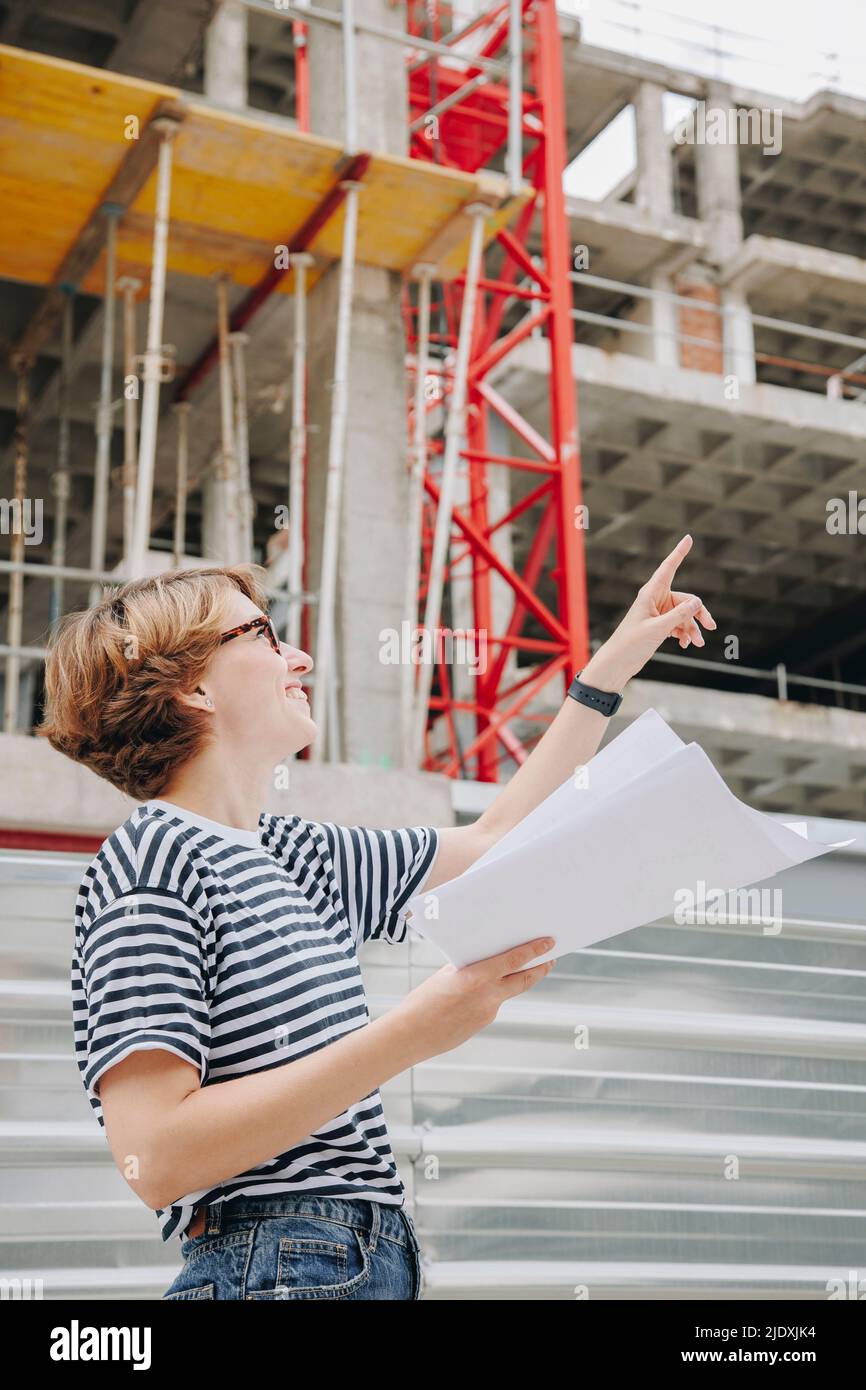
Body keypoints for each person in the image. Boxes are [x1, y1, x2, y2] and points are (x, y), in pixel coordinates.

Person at [38, 535, 714, 1300]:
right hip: (277, 1260)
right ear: (193, 686)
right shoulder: (151, 862)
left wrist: (608, 670)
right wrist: (413, 1033)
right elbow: (156, 1158)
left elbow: (498, 842)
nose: (299, 659)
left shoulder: (298, 853)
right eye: (261, 633)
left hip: (364, 1258)